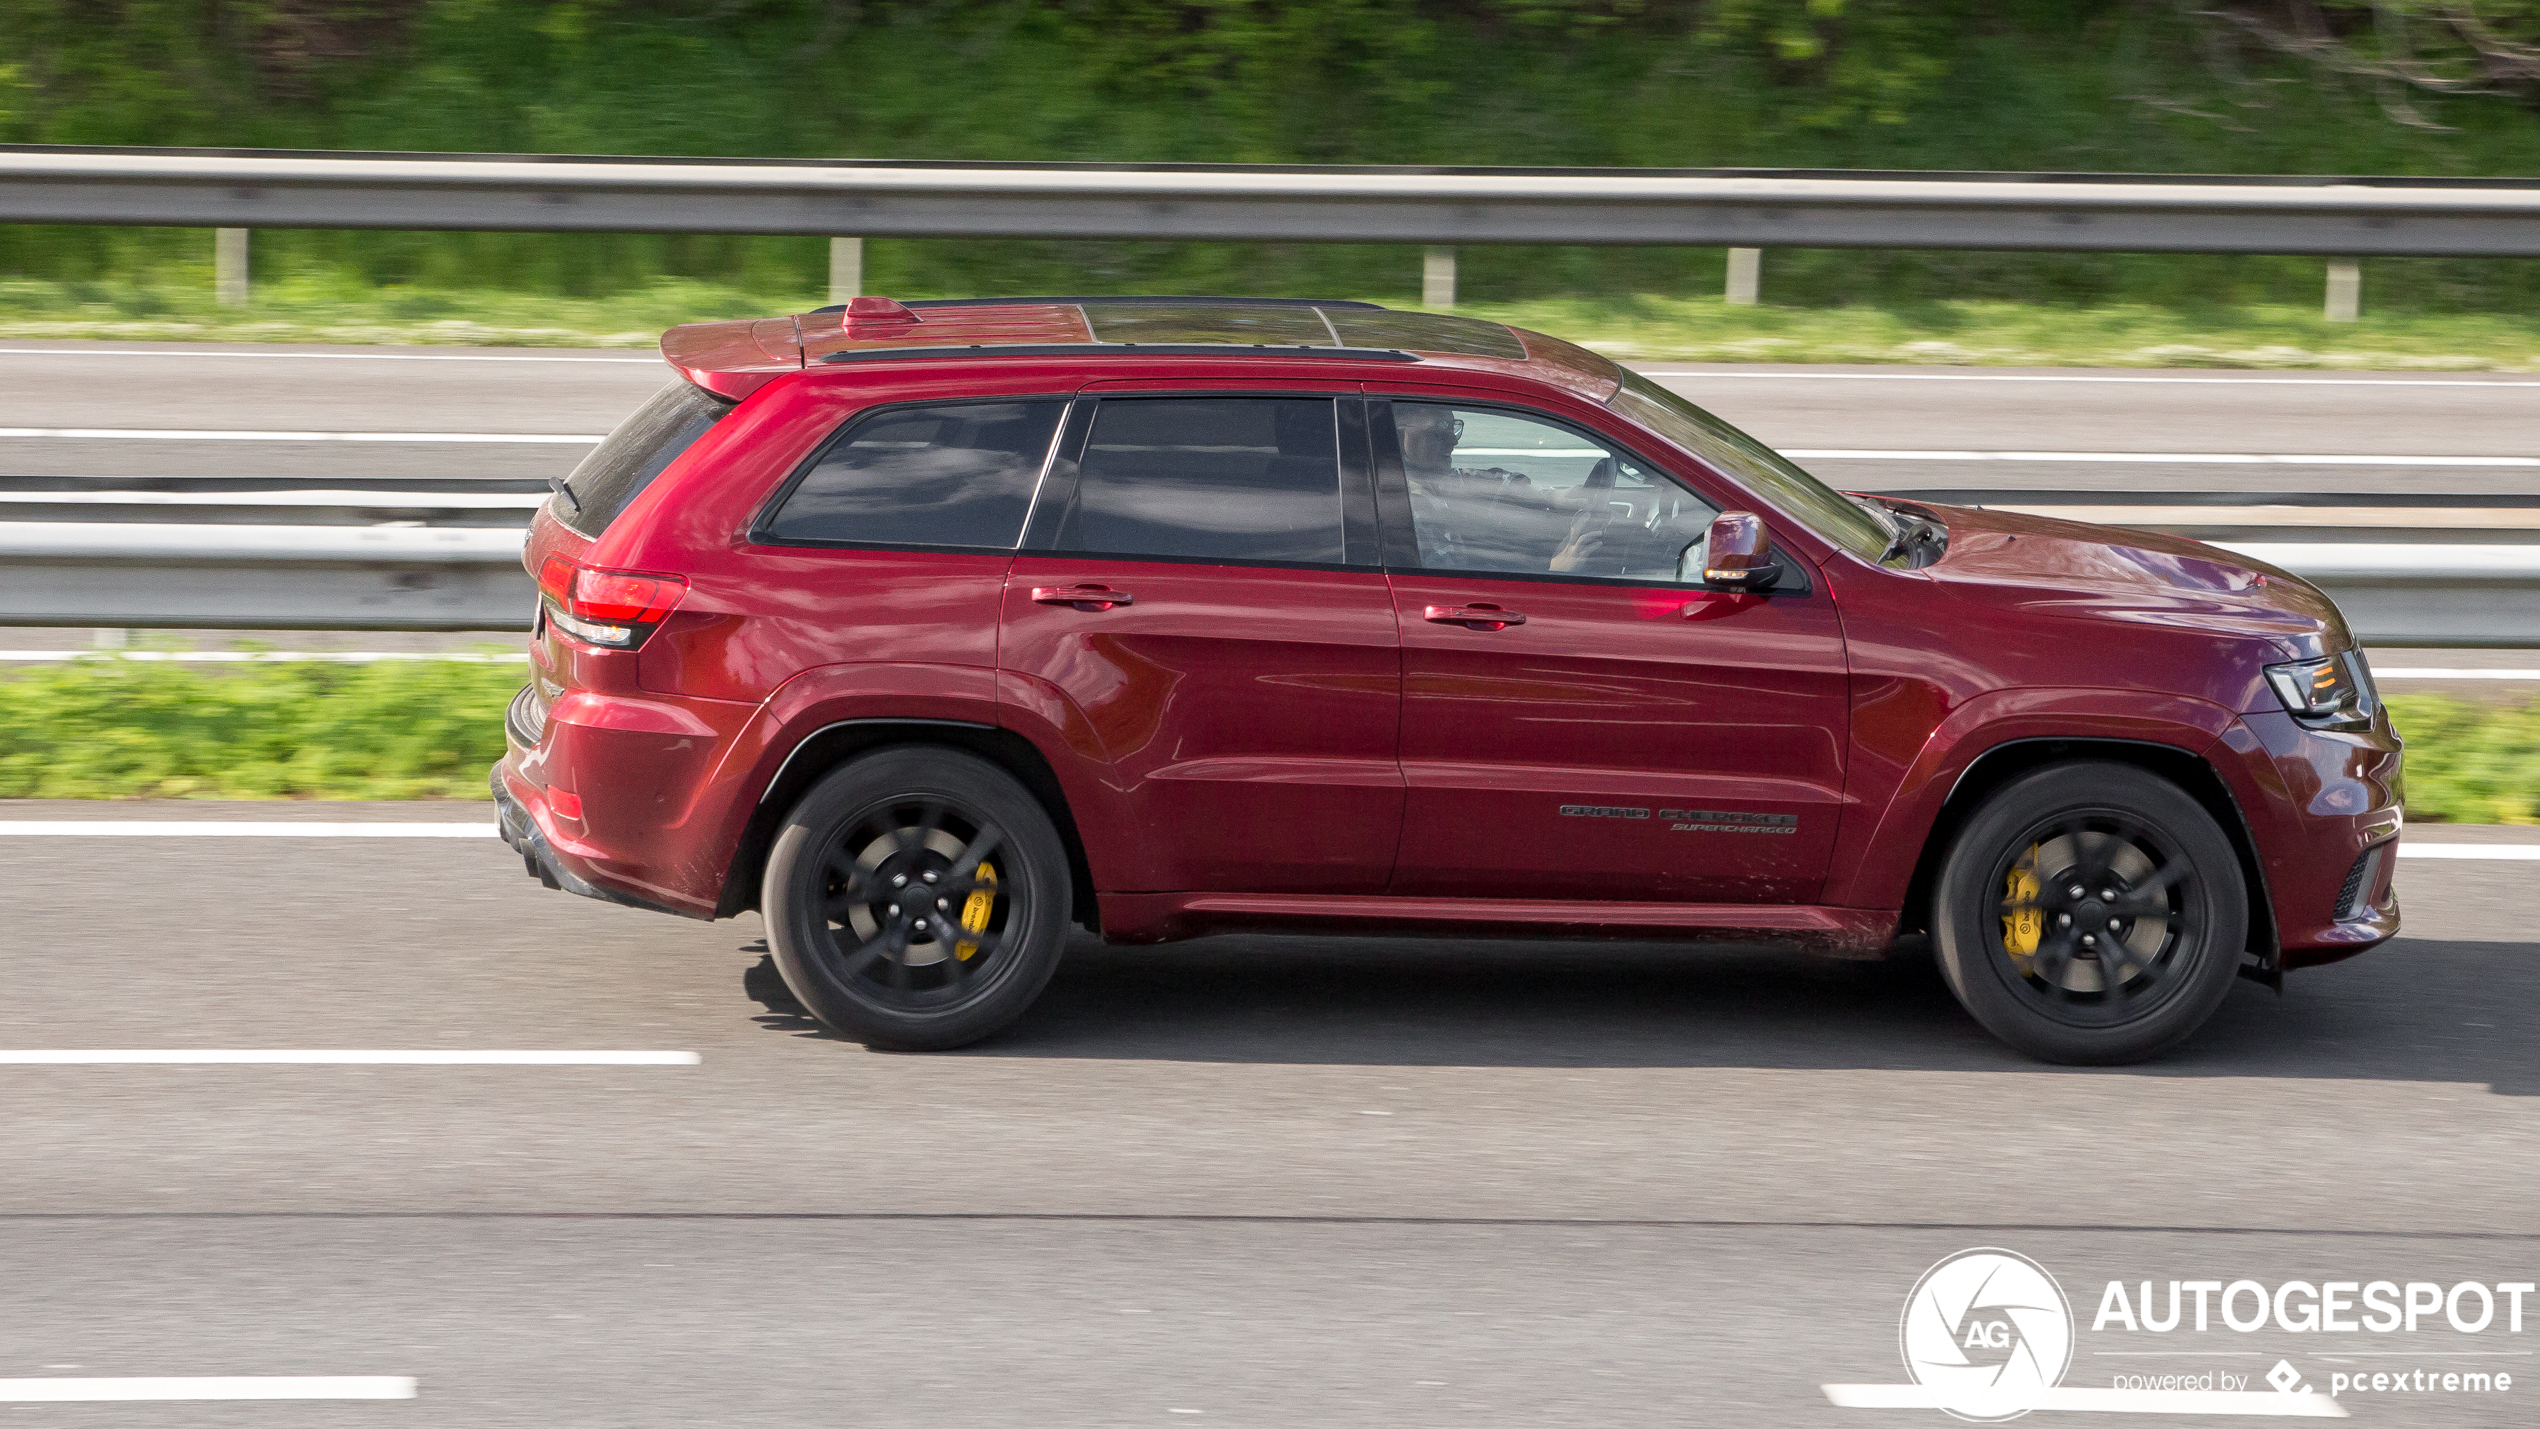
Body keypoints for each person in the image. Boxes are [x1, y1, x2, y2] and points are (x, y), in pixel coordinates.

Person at [1394, 404, 1611, 574]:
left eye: (1453, 428)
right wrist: (1554, 571)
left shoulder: (1432, 481)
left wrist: (1551, 497)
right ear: (1398, 435)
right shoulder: (1402, 509)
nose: (1453, 441)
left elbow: (1486, 482)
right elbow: (1461, 595)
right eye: (1438, 431)